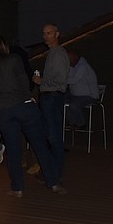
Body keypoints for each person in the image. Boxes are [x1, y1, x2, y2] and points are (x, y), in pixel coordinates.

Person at [0, 35, 67, 197]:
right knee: (40, 145)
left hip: (3, 111)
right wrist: (27, 97)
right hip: (23, 107)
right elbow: (24, 82)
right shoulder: (14, 59)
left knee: (13, 150)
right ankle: (54, 183)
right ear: (3, 47)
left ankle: (18, 188)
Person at [32, 23, 69, 184]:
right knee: (50, 136)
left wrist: (41, 81)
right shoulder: (53, 53)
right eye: (44, 33)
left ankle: (54, 175)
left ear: (57, 34)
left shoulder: (59, 53)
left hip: (53, 97)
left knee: (54, 137)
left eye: (49, 33)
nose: (46, 36)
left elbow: (60, 79)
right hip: (49, 97)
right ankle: (51, 174)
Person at [65, 49, 100, 128]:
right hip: (75, 95)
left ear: (75, 57)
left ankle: (81, 124)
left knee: (74, 105)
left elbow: (74, 80)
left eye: (69, 59)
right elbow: (68, 77)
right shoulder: (72, 66)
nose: (68, 61)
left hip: (89, 95)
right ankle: (72, 122)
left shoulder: (83, 66)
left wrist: (60, 81)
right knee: (59, 100)